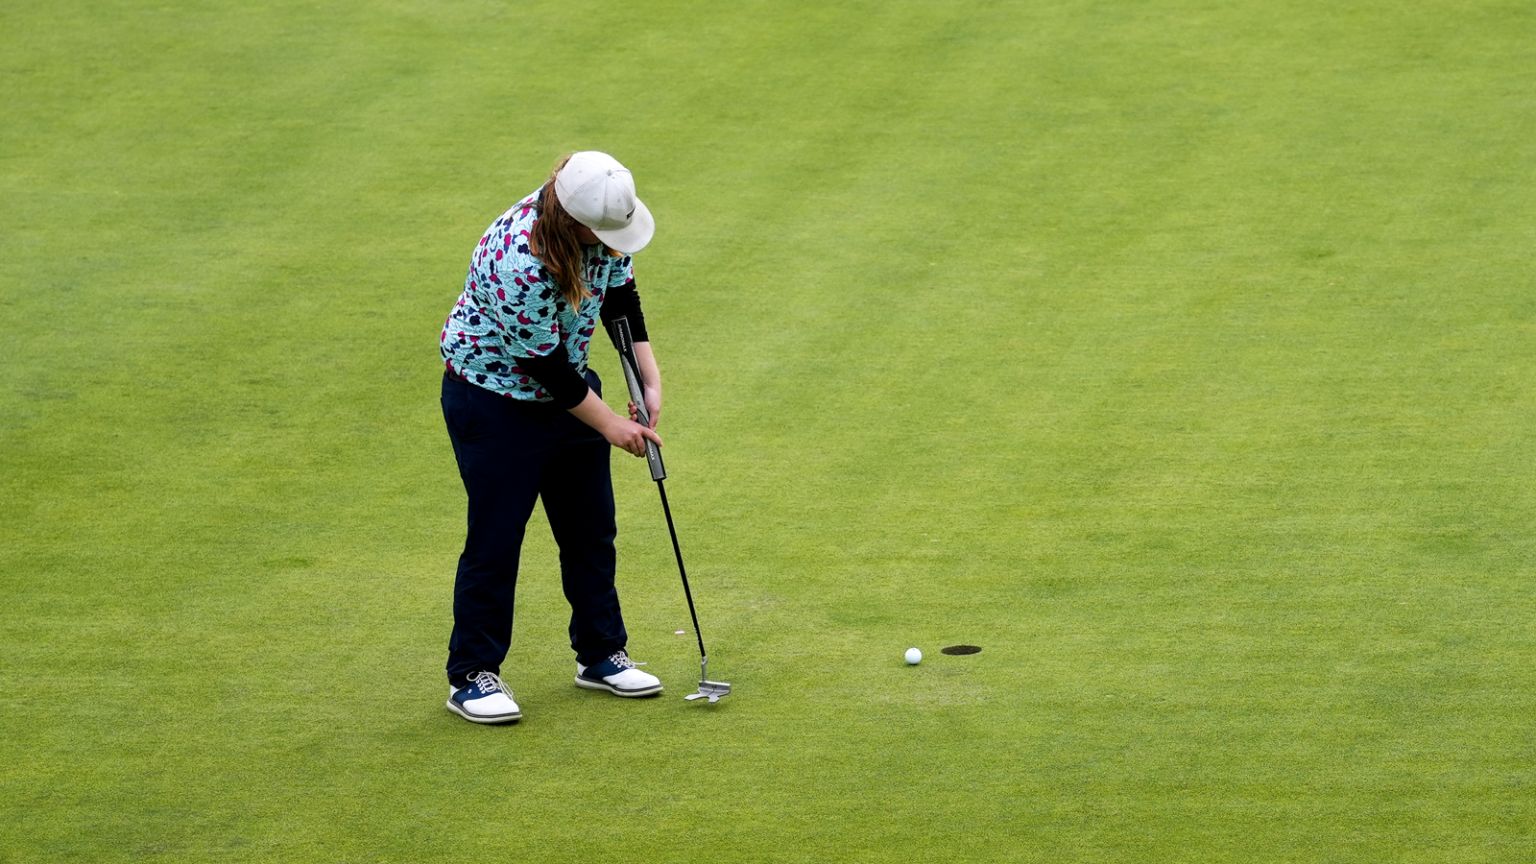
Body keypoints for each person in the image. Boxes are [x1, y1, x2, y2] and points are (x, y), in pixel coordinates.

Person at [438, 151, 666, 724]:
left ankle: (601, 655)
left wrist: (647, 379)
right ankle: (472, 676)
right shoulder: (517, 257)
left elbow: (621, 301)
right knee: (496, 540)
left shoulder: (601, 232)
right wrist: (614, 423)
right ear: (576, 221)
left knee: (591, 531)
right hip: (494, 399)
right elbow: (547, 369)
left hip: (564, 390)